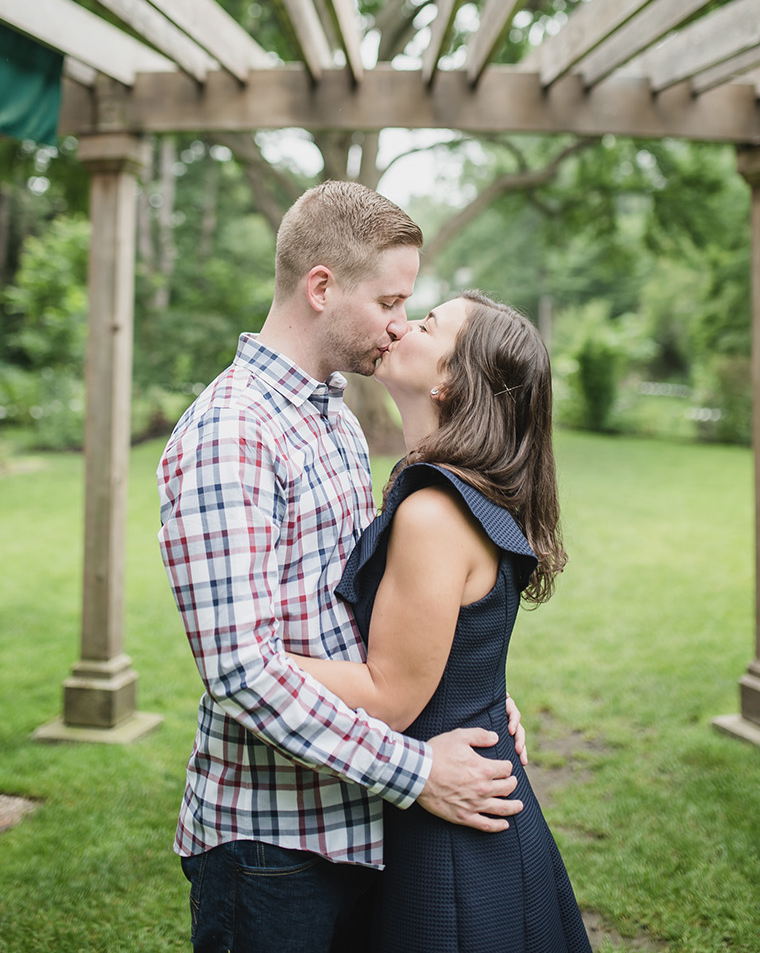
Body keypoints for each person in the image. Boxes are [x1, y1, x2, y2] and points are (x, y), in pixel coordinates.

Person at [158, 183, 527, 953]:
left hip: (355, 822)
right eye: (391, 299)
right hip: (270, 847)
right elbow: (240, 672)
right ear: (321, 286)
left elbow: (364, 610)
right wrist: (416, 771)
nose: (400, 322)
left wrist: (467, 694)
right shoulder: (233, 432)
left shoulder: (331, 416)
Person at [288, 290, 592, 952]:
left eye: (426, 323)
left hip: (450, 844)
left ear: (451, 378)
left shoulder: (434, 512)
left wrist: (254, 663)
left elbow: (391, 695)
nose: (401, 323)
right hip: (454, 801)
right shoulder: (458, 490)